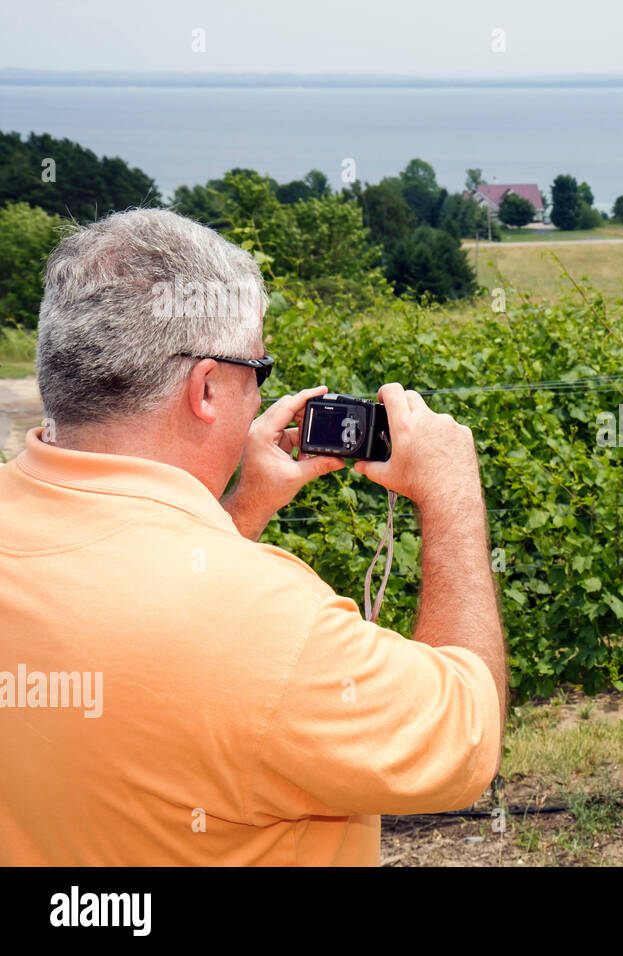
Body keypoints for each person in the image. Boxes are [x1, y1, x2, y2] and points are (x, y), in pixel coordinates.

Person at [0, 208, 507, 866]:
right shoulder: (274, 625)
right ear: (206, 387)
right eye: (258, 370)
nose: (260, 392)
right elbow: (465, 738)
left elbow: (133, 610)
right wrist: (454, 496)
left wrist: (241, 508)